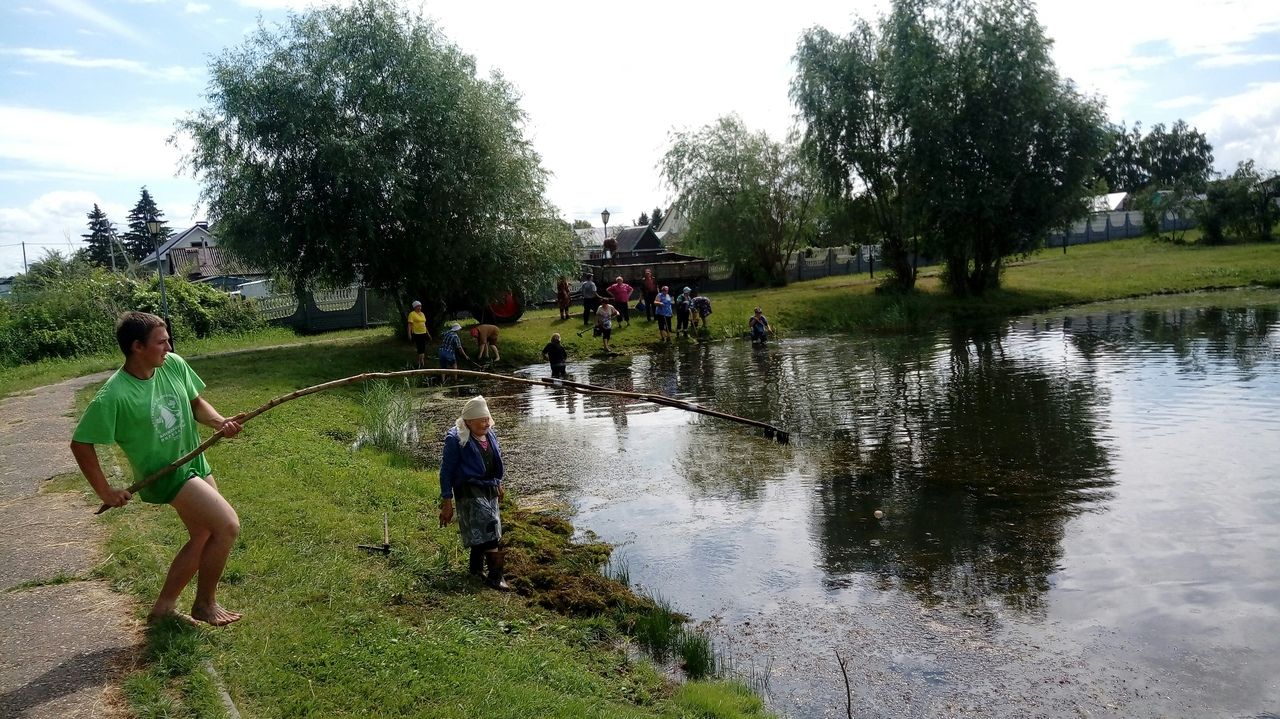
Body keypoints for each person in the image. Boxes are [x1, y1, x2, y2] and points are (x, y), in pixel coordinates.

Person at [69, 311, 245, 626]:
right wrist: (105, 491)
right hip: (167, 474)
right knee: (227, 526)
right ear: (137, 347)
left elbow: (195, 402)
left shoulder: (172, 365)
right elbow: (81, 443)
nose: (168, 347)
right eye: (161, 342)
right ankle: (205, 604)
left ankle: (162, 609)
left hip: (193, 460)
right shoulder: (114, 395)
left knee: (204, 533)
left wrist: (219, 422)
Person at [438, 396, 509, 590]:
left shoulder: (489, 434)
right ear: (468, 421)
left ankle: (475, 570)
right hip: (468, 487)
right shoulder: (456, 439)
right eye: (481, 420)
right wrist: (446, 500)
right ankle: (496, 576)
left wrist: (498, 482)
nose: (486, 424)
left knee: (481, 529)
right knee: (490, 525)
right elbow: (446, 471)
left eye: (487, 419)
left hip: (488, 486)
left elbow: (495, 460)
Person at [406, 300, 431, 368]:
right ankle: (421, 362)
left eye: (420, 306)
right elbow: (409, 325)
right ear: (414, 307)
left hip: (423, 332)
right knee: (420, 348)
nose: (419, 307)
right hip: (417, 333)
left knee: (423, 348)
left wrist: (428, 333)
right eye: (418, 306)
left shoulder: (422, 314)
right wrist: (409, 334)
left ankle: (421, 362)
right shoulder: (412, 314)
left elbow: (424, 324)